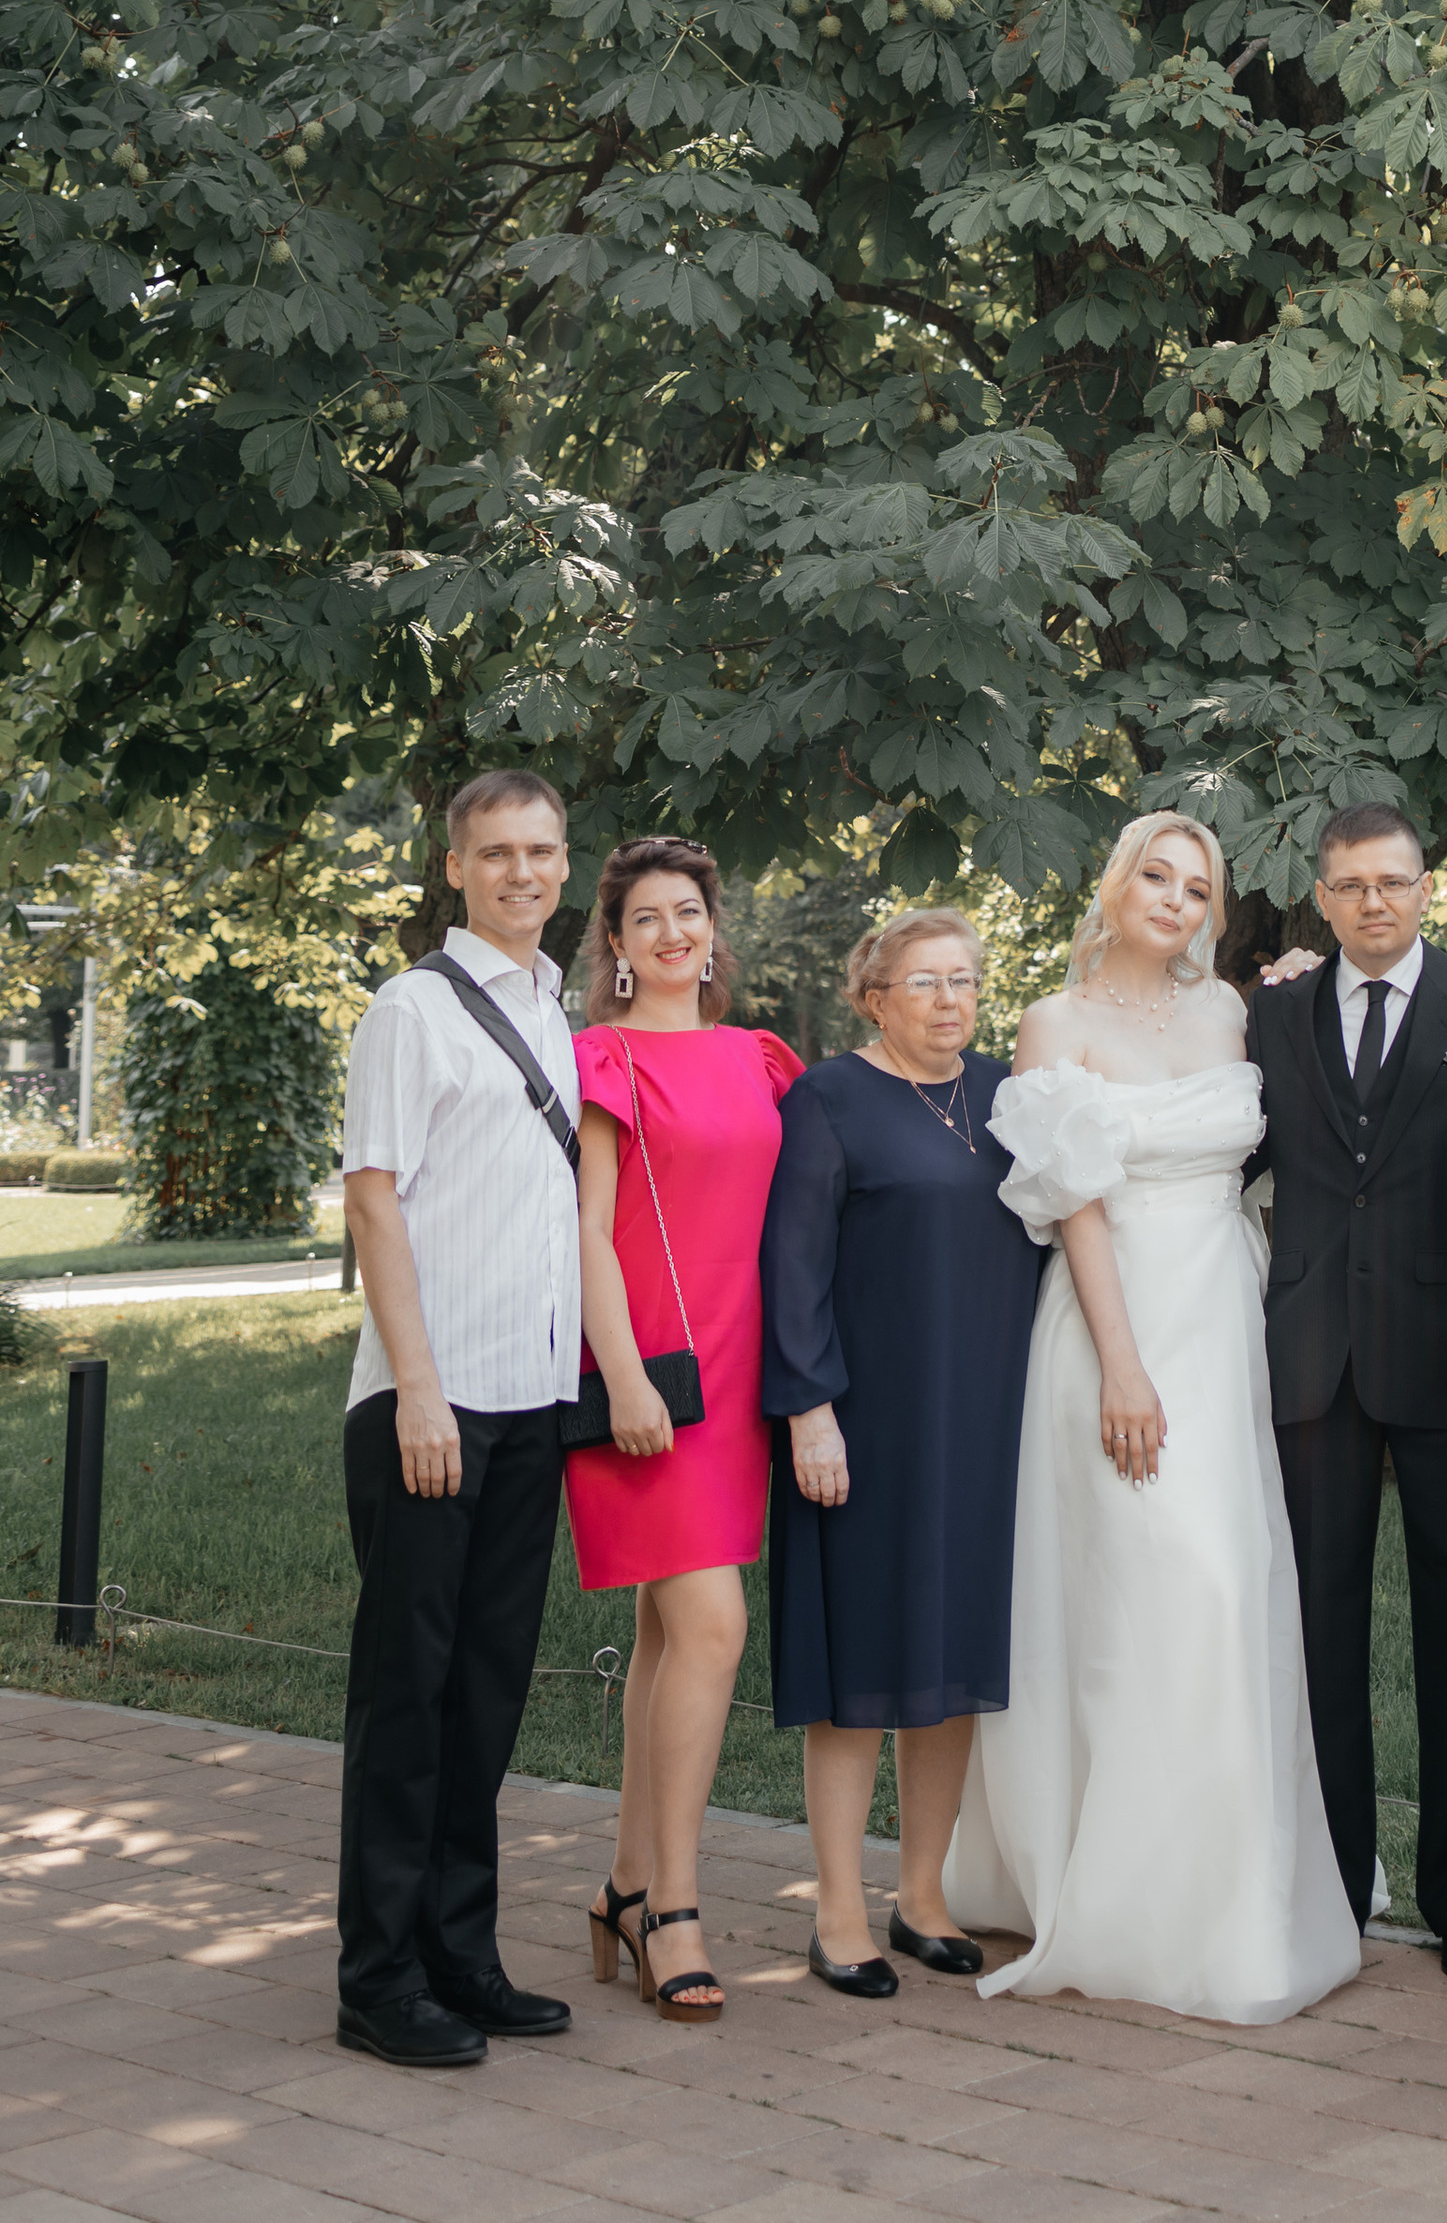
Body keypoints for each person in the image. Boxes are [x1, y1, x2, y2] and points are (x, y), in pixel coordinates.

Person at [945, 812, 1359, 2023]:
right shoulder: (1054, 1025)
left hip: (1224, 1322)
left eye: (1198, 887)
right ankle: (1116, 1886)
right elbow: (1071, 1201)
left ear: (1214, 911)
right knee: (1134, 1593)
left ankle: (1229, 1883)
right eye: (1155, 877)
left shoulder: (1237, 1013)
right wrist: (1123, 1367)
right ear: (1114, 886)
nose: (1173, 900)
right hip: (1111, 1323)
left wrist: (1302, 979)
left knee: (1228, 1588)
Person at [335, 770, 584, 2068]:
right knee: (407, 1693)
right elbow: (374, 1202)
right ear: (455, 867)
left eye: (542, 851)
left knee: (484, 1691)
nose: (523, 873)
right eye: (497, 854)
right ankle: (376, 1977)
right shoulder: (413, 1012)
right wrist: (418, 1387)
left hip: (534, 1395)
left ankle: (460, 1953)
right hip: (432, 1402)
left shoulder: (555, 1003)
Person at [1246, 800, 1447, 1980]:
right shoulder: (1271, 1011)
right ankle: (1337, 1881)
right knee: (1319, 1630)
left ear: (1426, 887)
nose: (1373, 903)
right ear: (1321, 894)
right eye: (1351, 885)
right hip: (1310, 1353)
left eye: (1393, 883)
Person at [762, 906, 1047, 1999]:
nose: (949, 999)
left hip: (981, 1421)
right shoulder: (829, 1098)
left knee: (949, 1670)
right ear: (872, 996)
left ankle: (920, 1895)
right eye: (922, 982)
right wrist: (809, 1410)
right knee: (859, 1674)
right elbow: (792, 1269)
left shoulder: (1007, 1099)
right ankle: (837, 1911)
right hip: (865, 1424)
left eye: (965, 980)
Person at [568, 838, 801, 2024]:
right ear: (614, 945)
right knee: (713, 1625)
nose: (672, 932)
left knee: (670, 1638)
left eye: (690, 912)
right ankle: (676, 1910)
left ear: (715, 928)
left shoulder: (759, 1060)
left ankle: (620, 1883)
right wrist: (620, 1377)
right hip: (651, 1383)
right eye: (647, 918)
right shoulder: (603, 1061)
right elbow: (590, 1233)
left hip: (740, 1380)